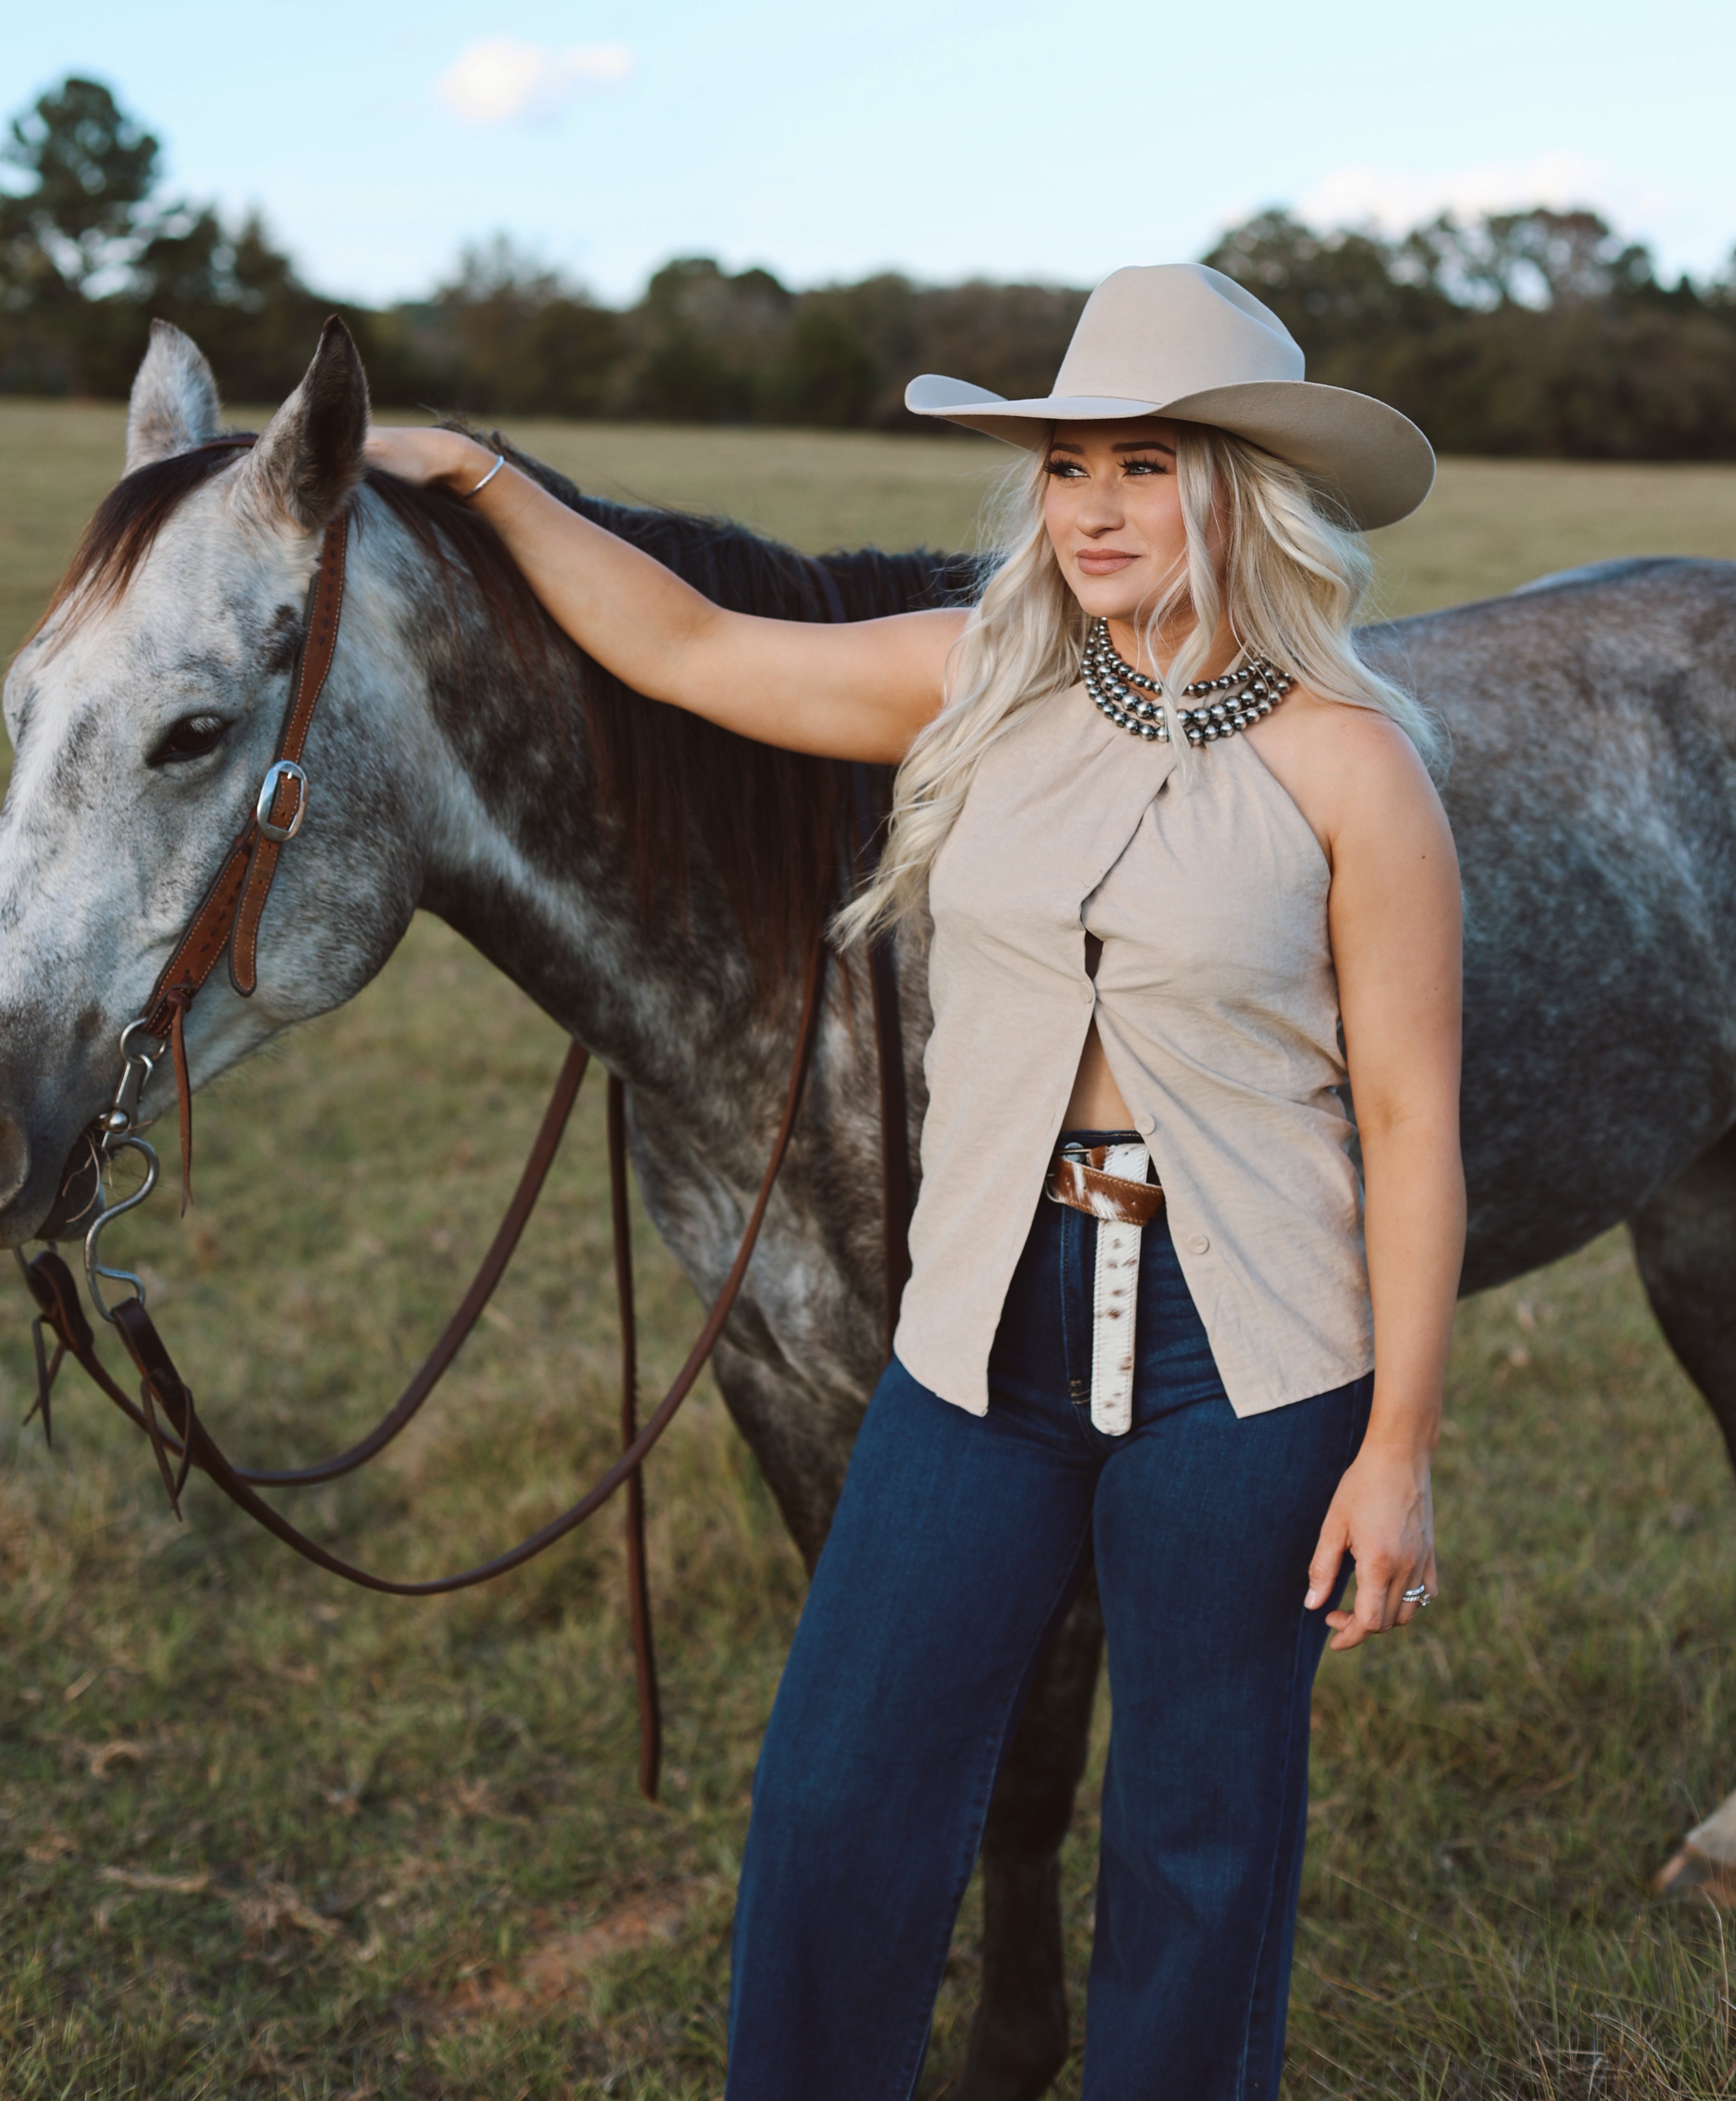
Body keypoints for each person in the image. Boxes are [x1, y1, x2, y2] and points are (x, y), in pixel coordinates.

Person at [366, 262, 1465, 2100]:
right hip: (982, 1319)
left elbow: (1417, 1125)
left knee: (1203, 1832)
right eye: (1066, 469)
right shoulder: (974, 684)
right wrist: (486, 478)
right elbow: (692, 650)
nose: (1093, 508)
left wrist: (1399, 1448)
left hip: (1247, 1348)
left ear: (1244, 492)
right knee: (836, 1790)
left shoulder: (1356, 771)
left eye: (1142, 465)